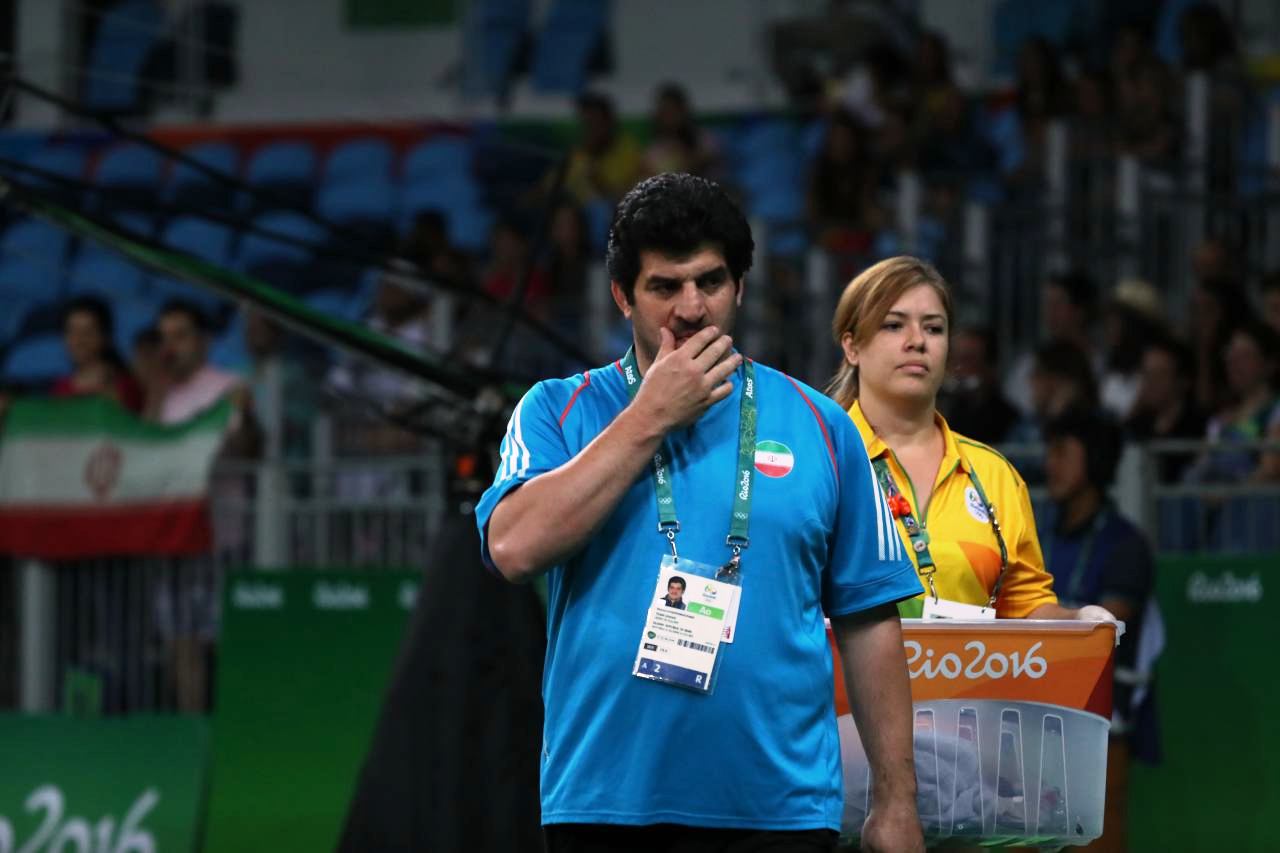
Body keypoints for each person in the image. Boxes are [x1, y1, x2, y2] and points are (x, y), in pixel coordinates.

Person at [478, 173, 925, 852]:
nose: (691, 308)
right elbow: (514, 548)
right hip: (606, 806)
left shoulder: (822, 425)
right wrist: (650, 416)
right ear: (622, 295)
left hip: (780, 811)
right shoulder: (557, 410)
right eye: (664, 287)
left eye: (710, 282)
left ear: (739, 286)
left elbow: (869, 621)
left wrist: (895, 801)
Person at [828, 255, 1117, 624]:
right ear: (852, 347)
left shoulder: (994, 475)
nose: (917, 341)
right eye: (894, 325)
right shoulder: (820, 458)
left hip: (965, 665)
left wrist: (1077, 621)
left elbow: (1024, 606)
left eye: (934, 328)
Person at [1040, 407, 1162, 853]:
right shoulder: (1037, 536)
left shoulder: (1125, 545)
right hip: (1029, 725)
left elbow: (1102, 635)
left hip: (1098, 731)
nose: (1049, 463)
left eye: (1062, 452)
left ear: (1093, 459)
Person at [1125, 335, 1206, 483]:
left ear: (1183, 381)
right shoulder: (1134, 428)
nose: (1150, 382)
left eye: (1160, 375)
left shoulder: (1202, 428)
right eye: (1146, 374)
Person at [53, 295, 143, 412]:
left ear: (105, 336)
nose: (78, 340)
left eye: (87, 332)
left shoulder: (124, 386)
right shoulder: (61, 389)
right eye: (71, 331)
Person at [936, 325, 1019, 446]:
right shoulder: (939, 410)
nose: (958, 367)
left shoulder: (1010, 421)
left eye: (968, 359)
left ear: (990, 366)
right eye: (954, 358)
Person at [560, 92, 643, 207]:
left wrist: (597, 179)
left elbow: (623, 195)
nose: (592, 129)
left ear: (609, 121)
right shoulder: (577, 153)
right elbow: (551, 186)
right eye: (587, 123)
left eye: (596, 122)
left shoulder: (627, 149)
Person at [642, 83, 720, 179]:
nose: (670, 117)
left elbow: (712, 160)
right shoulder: (654, 150)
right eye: (665, 112)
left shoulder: (703, 139)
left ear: (683, 111)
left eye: (673, 111)